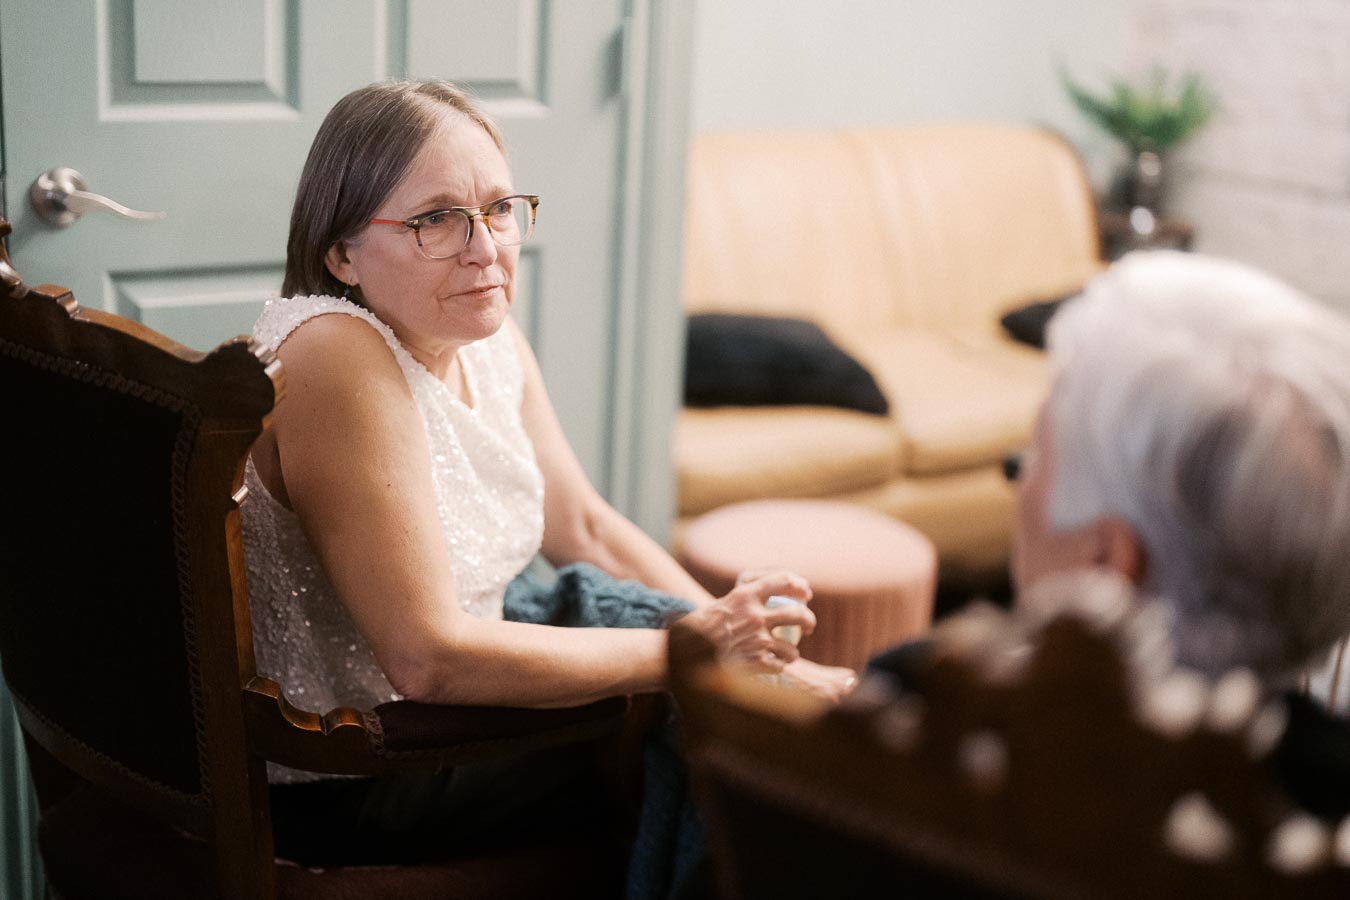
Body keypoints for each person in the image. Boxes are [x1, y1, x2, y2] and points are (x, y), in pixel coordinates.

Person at [240, 79, 854, 867]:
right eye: (436, 220)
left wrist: (753, 649)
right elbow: (427, 656)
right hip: (359, 768)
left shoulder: (479, 332)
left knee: (752, 712)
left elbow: (584, 527)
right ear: (341, 254)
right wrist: (692, 656)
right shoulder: (334, 351)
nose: (485, 248)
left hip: (458, 708)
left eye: (499, 208)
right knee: (727, 745)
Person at [872, 250, 1350, 815]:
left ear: (1107, 565)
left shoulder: (930, 714)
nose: (1020, 482)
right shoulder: (1326, 793)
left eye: (1035, 457)